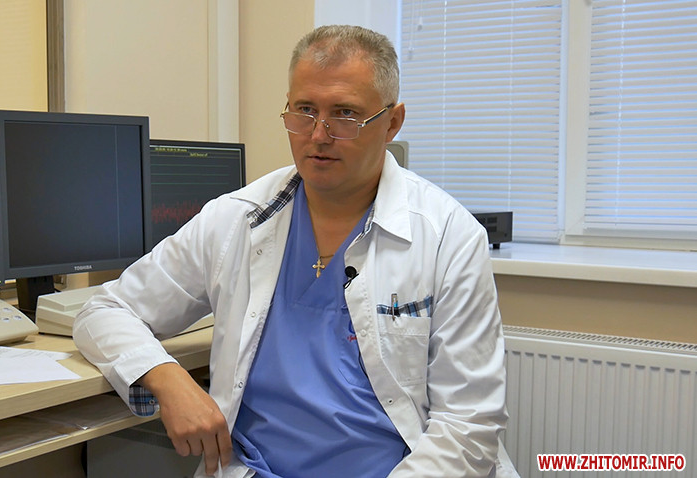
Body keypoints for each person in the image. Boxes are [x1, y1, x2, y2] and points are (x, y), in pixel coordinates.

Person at [74, 24, 517, 478]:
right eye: (304, 110)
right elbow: (104, 312)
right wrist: (167, 378)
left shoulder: (448, 237)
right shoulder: (237, 218)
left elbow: (469, 424)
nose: (318, 134)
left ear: (392, 123)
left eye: (345, 114)